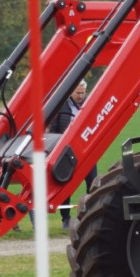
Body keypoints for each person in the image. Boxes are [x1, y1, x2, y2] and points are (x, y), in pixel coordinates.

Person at [52, 80, 97, 228]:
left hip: (87, 151)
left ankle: (90, 215)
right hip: (67, 153)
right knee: (67, 185)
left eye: (83, 93)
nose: (81, 96)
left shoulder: (90, 104)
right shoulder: (61, 107)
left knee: (93, 183)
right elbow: (54, 129)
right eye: (78, 93)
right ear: (71, 91)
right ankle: (65, 219)